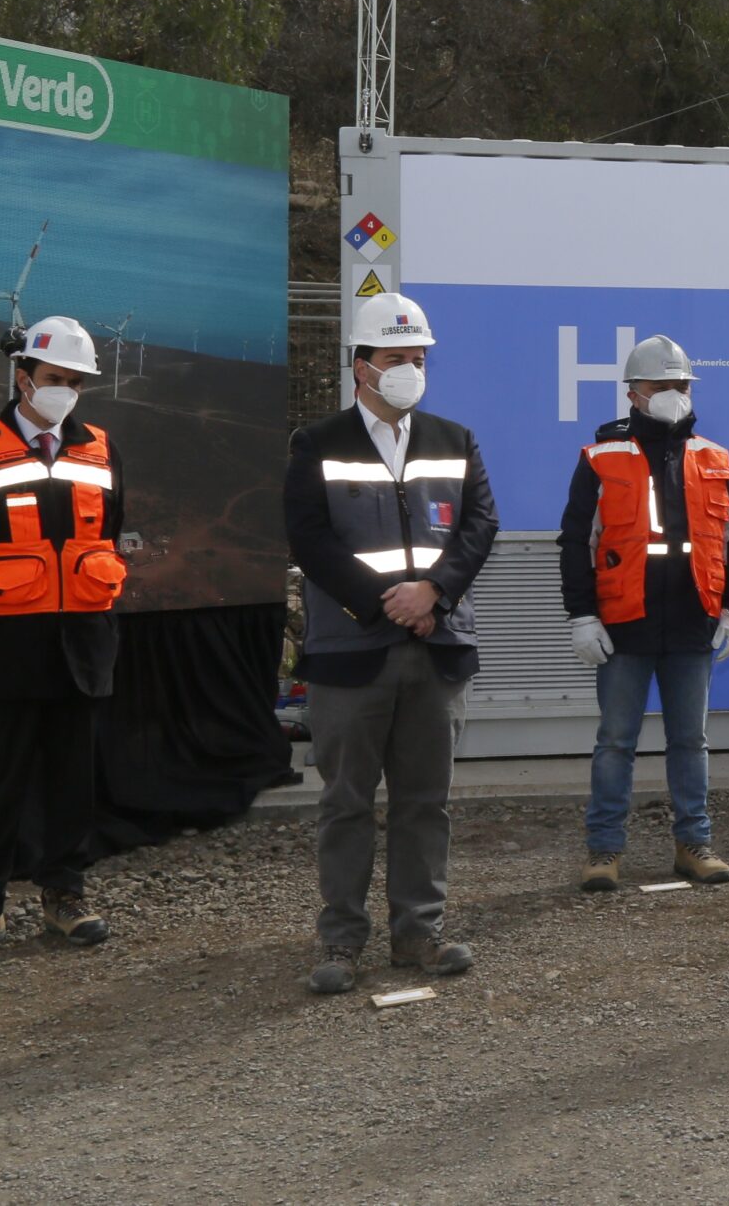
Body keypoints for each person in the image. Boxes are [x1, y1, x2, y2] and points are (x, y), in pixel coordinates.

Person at [286, 296, 499, 994]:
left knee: (423, 798)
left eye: (419, 359)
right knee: (346, 799)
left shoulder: (454, 438)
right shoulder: (317, 443)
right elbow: (310, 538)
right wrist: (386, 602)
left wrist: (434, 591)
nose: (410, 370)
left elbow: (479, 525)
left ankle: (419, 931)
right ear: (361, 366)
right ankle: (342, 939)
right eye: (397, 358)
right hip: (351, 652)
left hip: (436, 646)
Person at [0, 316, 129, 961]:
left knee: (71, 781)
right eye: (54, 378)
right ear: (23, 377)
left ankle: (65, 900)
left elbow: (111, 530)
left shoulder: (100, 449)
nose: (64, 390)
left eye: (75, 381)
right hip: (5, 647)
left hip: (81, 645)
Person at [559, 333, 729, 892]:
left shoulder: (714, 458)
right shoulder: (599, 459)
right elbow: (575, 541)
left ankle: (694, 844)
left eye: (681, 385)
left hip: (693, 623)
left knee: (690, 742)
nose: (673, 393)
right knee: (615, 741)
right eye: (660, 385)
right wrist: (581, 616)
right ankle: (603, 852)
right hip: (623, 624)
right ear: (633, 394)